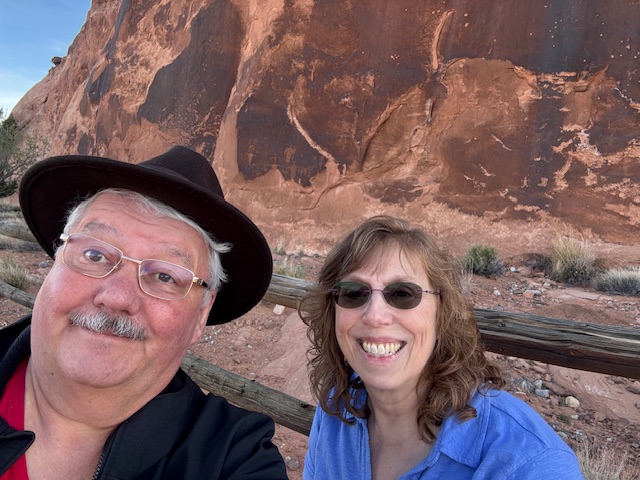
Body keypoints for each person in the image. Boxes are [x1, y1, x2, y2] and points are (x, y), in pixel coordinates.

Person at [0, 146, 288, 479]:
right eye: (95, 255)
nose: (117, 297)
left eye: (165, 276)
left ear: (201, 314)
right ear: (55, 261)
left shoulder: (233, 458)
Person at [300, 215, 584, 479]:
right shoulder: (338, 407)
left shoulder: (532, 463)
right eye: (353, 293)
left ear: (441, 313)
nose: (374, 315)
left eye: (402, 294)